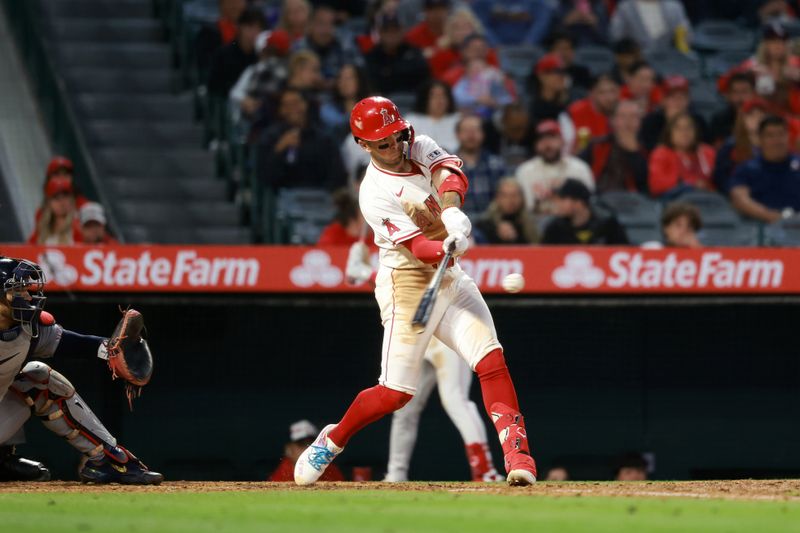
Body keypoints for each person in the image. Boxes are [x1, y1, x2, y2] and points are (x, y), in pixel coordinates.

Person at [293, 96, 538, 487]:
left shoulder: (419, 144)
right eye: (381, 143)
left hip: (450, 278)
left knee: (490, 359)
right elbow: (418, 248)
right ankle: (333, 438)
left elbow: (449, 174)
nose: (393, 148)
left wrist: (453, 211)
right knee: (395, 393)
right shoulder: (373, 192)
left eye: (395, 137)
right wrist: (444, 245)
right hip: (406, 283)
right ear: (364, 145)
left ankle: (517, 455)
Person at [343, 246, 504, 482]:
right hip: (415, 332)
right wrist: (363, 268)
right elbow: (396, 286)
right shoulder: (395, 231)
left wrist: (365, 271)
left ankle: (484, 470)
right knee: (403, 407)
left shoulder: (428, 233)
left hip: (443, 325)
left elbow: (418, 270)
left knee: (454, 399)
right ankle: (396, 472)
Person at [0, 257, 162, 484]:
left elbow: (70, 343)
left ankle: (108, 460)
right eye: (17, 291)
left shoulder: (29, 329)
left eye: (26, 289)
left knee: (36, 377)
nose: (27, 296)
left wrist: (111, 350)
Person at [257, 88, 347, 191]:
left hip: (320, 196)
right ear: (280, 110)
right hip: (283, 196)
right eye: (287, 105)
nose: (292, 109)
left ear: (305, 105)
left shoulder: (323, 138)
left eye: (296, 103)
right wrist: (280, 148)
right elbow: (265, 176)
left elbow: (336, 173)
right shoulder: (271, 137)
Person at [729, 115, 800, 222]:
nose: (777, 141)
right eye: (770, 136)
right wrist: (774, 217)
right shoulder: (747, 169)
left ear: (788, 136)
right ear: (760, 139)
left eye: (781, 134)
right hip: (760, 228)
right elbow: (739, 199)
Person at [515, 120, 595, 215]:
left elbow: (589, 203)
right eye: (541, 139)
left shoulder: (579, 168)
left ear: (562, 141)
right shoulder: (524, 171)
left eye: (552, 138)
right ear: (535, 145)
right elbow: (522, 209)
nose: (547, 144)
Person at [580, 99, 649, 194]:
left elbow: (645, 183)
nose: (628, 122)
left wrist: (633, 152)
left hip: (634, 202)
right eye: (622, 116)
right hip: (598, 198)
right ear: (612, 120)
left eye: (634, 116)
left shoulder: (647, 150)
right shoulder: (597, 146)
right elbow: (578, 168)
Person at [648, 112, 716, 198]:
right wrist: (691, 182)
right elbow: (656, 185)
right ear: (670, 132)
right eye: (678, 128)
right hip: (676, 200)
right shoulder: (661, 153)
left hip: (708, 198)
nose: (684, 132)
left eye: (688, 128)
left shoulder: (708, 152)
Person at [541, 179, 629, 245]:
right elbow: (544, 256)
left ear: (579, 202)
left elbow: (624, 252)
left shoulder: (608, 225)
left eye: (562, 199)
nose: (557, 204)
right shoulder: (555, 228)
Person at [294, 4, 361, 87]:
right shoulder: (299, 47)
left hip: (338, 95)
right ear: (310, 25)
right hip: (307, 94)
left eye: (330, 24)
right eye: (321, 24)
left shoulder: (343, 45)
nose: (326, 30)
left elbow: (358, 71)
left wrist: (337, 82)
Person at [365, 11, 431, 94]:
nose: (391, 35)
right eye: (387, 31)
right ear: (380, 33)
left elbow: (424, 79)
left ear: (402, 31)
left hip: (413, 100)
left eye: (395, 30)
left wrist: (389, 73)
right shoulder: (373, 56)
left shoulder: (413, 52)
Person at [451, 34, 514, 119]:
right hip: (467, 117)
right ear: (464, 51)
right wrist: (477, 99)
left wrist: (495, 102)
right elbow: (455, 97)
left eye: (482, 48)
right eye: (474, 48)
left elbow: (508, 100)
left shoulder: (496, 76)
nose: (478, 51)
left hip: (493, 117)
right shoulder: (457, 77)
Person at [207, 7, 266, 98]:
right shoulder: (223, 54)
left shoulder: (262, 56)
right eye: (250, 27)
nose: (254, 33)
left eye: (258, 28)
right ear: (240, 27)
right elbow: (215, 87)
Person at [712, 97, 767, 193]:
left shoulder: (776, 145)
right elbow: (721, 177)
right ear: (743, 119)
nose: (757, 120)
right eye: (751, 116)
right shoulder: (730, 146)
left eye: (761, 116)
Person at [455, 114, 507, 215]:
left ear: (483, 134)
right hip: (457, 225)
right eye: (466, 131)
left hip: (491, 223)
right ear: (457, 135)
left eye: (475, 130)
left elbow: (504, 200)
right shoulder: (447, 167)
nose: (471, 135)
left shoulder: (497, 164)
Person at [640, 75, 708, 151]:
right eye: (672, 97)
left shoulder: (698, 122)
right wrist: (671, 122)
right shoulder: (651, 122)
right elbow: (651, 151)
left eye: (682, 96)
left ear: (688, 100)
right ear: (663, 100)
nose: (677, 101)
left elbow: (703, 150)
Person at [269, 420, 346, 481]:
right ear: (289, 449)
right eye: (301, 444)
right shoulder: (284, 472)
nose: (307, 449)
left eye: (311, 443)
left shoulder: (329, 468)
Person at [609, 0, 692, 54]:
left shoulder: (674, 6)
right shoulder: (625, 8)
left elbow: (687, 35)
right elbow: (616, 36)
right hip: (637, 60)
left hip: (669, 58)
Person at [474, 178, 539, 244]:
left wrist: (515, 238)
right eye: (505, 196)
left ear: (522, 198)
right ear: (497, 198)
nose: (510, 200)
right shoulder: (486, 223)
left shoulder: (530, 224)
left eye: (514, 195)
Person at [567, 74, 621, 153]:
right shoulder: (576, 112)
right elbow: (575, 151)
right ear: (591, 94)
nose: (609, 97)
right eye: (602, 92)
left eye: (612, 91)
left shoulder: (625, 112)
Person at [194, 0, 247, 79]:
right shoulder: (209, 33)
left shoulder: (254, 30)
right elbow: (207, 69)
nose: (235, 6)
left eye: (238, 1)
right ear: (221, 5)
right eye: (230, 2)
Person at [406, 80, 460, 153]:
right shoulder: (411, 120)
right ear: (425, 99)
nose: (439, 101)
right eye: (434, 97)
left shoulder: (458, 119)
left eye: (443, 96)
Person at [320, 63, 372, 141]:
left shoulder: (371, 106)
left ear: (359, 80)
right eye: (341, 78)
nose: (344, 82)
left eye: (349, 78)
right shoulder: (328, 109)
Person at [470, 0, 554, 46]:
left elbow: (541, 24)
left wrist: (528, 42)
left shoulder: (538, 3)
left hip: (530, 50)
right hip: (493, 49)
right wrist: (495, 44)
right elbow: (481, 24)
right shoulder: (483, 3)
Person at [28, 175, 81, 245]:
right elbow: (28, 249)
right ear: (48, 202)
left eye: (65, 197)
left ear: (71, 199)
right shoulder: (42, 227)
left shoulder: (80, 224)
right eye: (56, 198)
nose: (62, 202)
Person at [709, 71, 756, 146]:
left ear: (753, 94)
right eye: (735, 92)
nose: (740, 98)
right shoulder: (719, 120)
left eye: (744, 92)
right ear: (728, 95)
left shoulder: (761, 118)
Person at [528, 53, 571, 124]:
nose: (562, 77)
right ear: (542, 76)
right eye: (558, 72)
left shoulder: (570, 102)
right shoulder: (530, 106)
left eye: (564, 72)